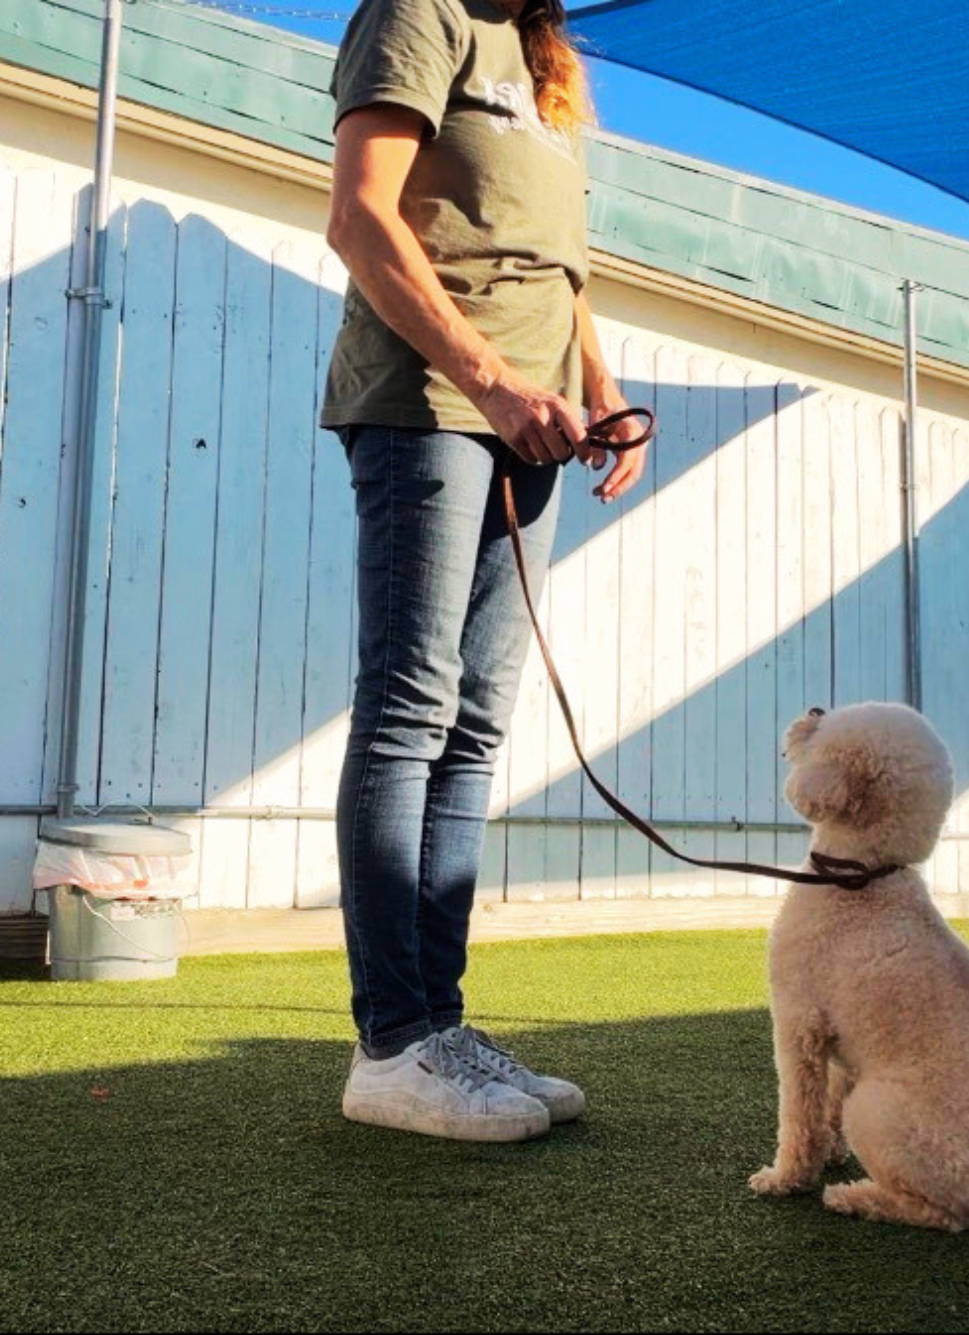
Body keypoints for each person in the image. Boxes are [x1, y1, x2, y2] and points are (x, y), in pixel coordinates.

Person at [322, 0, 646, 1142]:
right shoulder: (419, 13)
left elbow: (558, 271)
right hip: (429, 406)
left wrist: (594, 387)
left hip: (533, 420)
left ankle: (440, 1030)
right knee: (410, 708)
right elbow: (361, 219)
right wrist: (493, 381)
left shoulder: (544, 61)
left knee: (474, 724)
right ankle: (391, 1042)